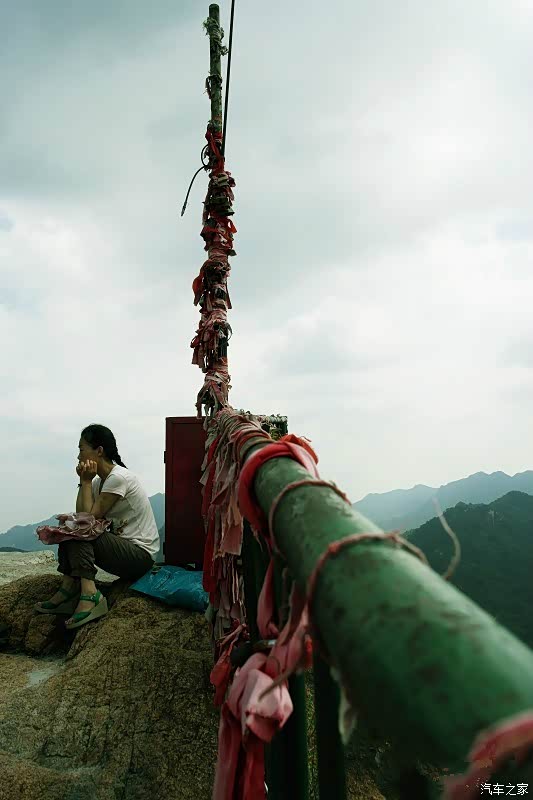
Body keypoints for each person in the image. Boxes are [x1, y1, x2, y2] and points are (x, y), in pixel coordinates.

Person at [35, 424, 160, 630]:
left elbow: (87, 521)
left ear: (99, 451)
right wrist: (84, 482)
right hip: (121, 552)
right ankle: (70, 589)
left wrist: (84, 483)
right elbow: (81, 518)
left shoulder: (118, 478)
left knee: (78, 530)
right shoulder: (98, 482)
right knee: (70, 528)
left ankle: (89, 594)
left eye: (81, 449)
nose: (78, 457)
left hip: (139, 556)